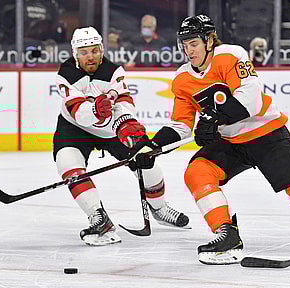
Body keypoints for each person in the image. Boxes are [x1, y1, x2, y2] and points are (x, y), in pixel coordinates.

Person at [129, 14, 290, 264]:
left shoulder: (230, 55)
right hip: (230, 143)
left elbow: (251, 97)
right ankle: (227, 234)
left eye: (194, 44)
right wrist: (152, 146)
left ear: (209, 40)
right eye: (185, 44)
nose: (188, 50)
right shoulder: (182, 79)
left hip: (266, 134)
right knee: (197, 172)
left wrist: (215, 119)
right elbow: (180, 124)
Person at [53, 26, 190, 246]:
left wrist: (126, 124)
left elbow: (124, 101)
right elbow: (79, 114)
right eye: (84, 51)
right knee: (67, 162)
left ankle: (159, 208)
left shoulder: (114, 72)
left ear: (102, 50)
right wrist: (96, 110)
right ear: (75, 54)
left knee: (148, 161)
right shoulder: (66, 75)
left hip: (110, 129)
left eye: (95, 50)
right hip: (75, 128)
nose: (91, 56)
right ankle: (99, 218)